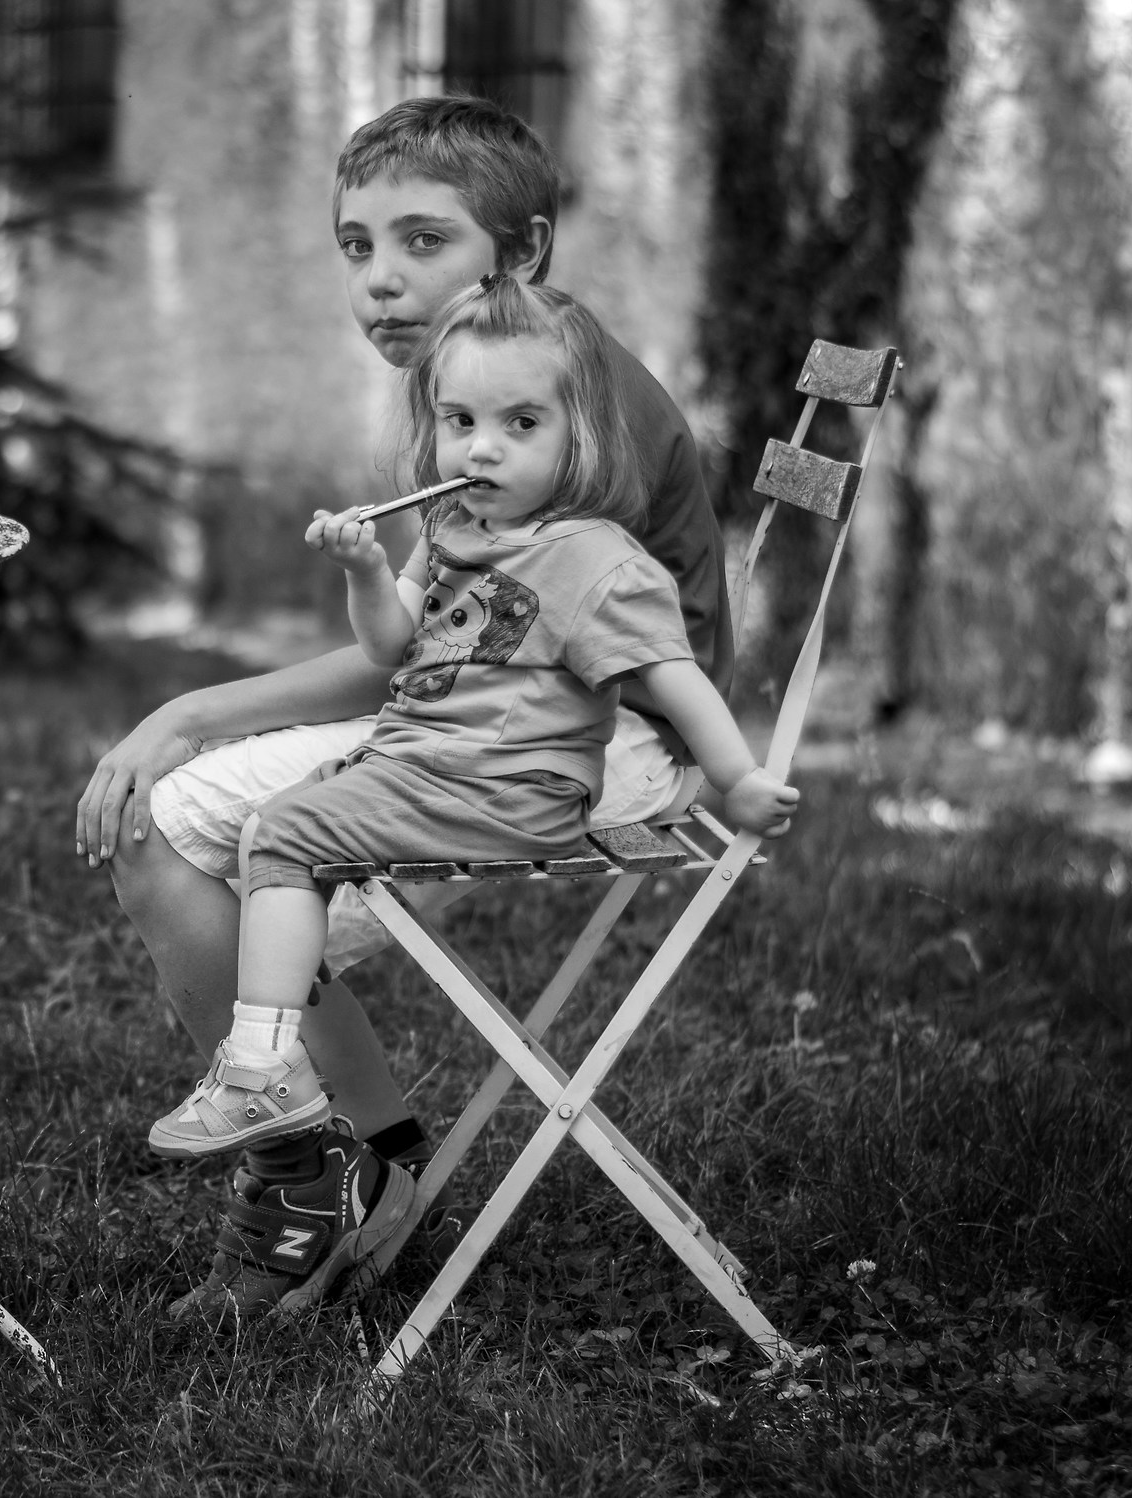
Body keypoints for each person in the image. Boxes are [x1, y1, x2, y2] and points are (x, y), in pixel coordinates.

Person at [74, 97, 739, 1319]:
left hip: (606, 734)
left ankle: (308, 1170)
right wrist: (192, 713)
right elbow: (417, 652)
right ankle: (357, 1152)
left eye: (423, 242)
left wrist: (236, 740)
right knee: (164, 822)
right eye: (357, 246)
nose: (380, 281)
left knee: (216, 848)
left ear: (522, 252)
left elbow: (494, 674)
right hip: (495, 702)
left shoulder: (564, 416)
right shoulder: (481, 391)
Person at [146, 274, 794, 1222]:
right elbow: (387, 646)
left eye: (521, 424)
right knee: (277, 834)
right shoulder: (453, 530)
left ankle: (260, 1072)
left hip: (515, 784)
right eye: (460, 420)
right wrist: (370, 570)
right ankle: (286, 1070)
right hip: (432, 762)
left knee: (284, 835)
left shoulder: (594, 559)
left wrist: (734, 780)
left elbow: (676, 676)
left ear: (584, 436)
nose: (482, 447)